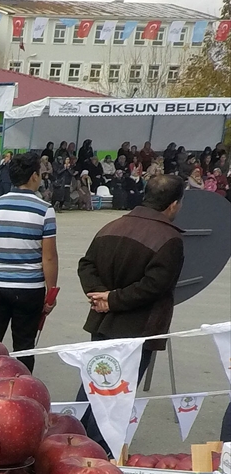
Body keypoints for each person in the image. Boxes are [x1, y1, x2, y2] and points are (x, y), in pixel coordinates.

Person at [76, 173, 187, 453]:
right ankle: (96, 454)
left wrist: (101, 296)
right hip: (139, 331)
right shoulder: (169, 239)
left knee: (92, 389)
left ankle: (72, 443)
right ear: (173, 204)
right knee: (114, 400)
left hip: (103, 323)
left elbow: (86, 266)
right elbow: (155, 286)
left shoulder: (112, 225)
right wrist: (111, 300)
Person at [0, 151, 58, 370]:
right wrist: (51, 293)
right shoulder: (44, 210)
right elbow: (48, 256)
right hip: (28, 289)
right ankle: (22, 388)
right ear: (33, 176)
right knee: (24, 345)